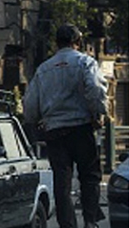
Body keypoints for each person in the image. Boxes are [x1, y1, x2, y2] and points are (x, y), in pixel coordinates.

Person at [23, 23, 108, 228]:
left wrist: (35, 121)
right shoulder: (85, 62)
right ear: (77, 42)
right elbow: (95, 90)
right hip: (81, 128)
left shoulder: (44, 69)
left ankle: (67, 224)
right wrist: (99, 113)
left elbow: (30, 104)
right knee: (89, 176)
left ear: (56, 43)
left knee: (62, 183)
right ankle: (89, 221)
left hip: (55, 132)